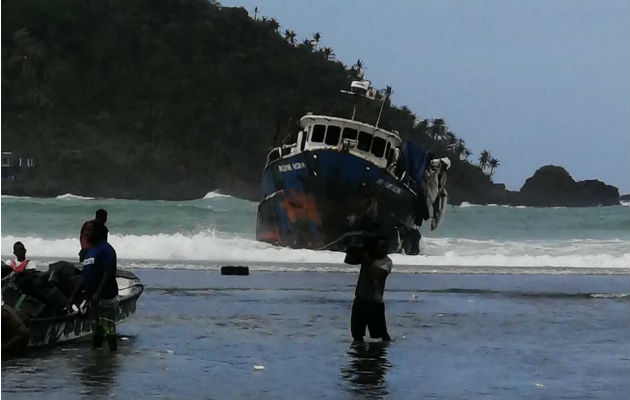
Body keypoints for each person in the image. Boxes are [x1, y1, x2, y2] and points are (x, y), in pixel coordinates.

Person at [70, 220, 119, 351]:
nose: (86, 233)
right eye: (86, 231)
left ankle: (112, 358)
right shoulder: (89, 251)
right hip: (92, 300)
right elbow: (84, 276)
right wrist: (73, 296)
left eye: (89, 231)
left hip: (105, 297)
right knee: (96, 331)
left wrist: (98, 293)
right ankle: (96, 358)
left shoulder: (106, 250)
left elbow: (108, 272)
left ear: (98, 232)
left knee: (109, 330)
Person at [351, 234, 392, 343]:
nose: (385, 250)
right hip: (360, 300)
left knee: (381, 337)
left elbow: (380, 275)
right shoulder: (367, 256)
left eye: (386, 247)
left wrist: (368, 260)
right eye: (382, 247)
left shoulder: (387, 261)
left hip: (375, 304)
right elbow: (350, 260)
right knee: (357, 336)